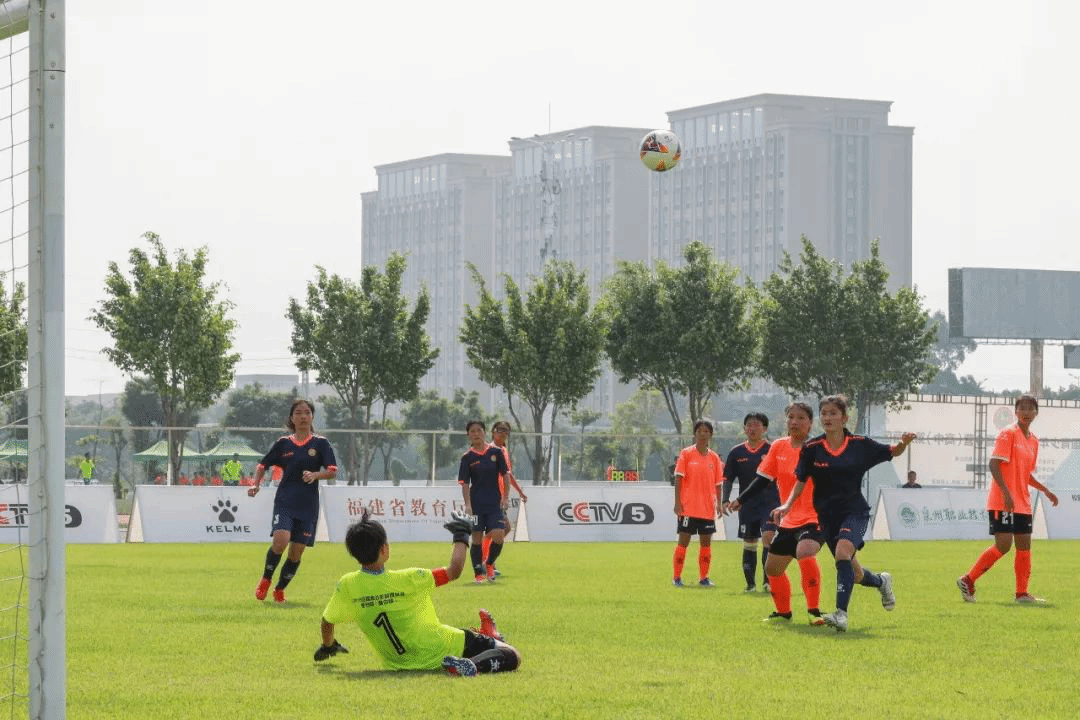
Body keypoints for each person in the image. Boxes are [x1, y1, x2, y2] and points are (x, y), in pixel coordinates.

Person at [315, 508, 521, 676]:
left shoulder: (348, 585)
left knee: (491, 643)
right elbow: (454, 570)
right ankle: (471, 664)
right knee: (511, 655)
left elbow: (327, 621)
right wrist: (461, 534)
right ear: (385, 549)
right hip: (445, 646)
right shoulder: (411, 578)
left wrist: (328, 646)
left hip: (399, 663)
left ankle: (489, 636)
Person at [772, 394, 914, 632]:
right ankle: (881, 581)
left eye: (833, 413)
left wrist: (903, 444)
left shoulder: (860, 445)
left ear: (845, 418)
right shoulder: (812, 448)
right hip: (827, 518)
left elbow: (892, 452)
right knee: (855, 573)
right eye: (824, 413)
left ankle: (841, 614)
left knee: (841, 553)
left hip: (855, 512)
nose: (827, 418)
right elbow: (801, 481)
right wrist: (787, 505)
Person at [726, 403, 826, 625]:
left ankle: (814, 612)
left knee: (805, 552)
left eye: (801, 418)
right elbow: (763, 479)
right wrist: (740, 500)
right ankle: (783, 613)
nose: (795, 422)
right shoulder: (779, 446)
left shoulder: (819, 448)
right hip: (789, 519)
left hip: (816, 517)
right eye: (791, 417)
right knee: (772, 568)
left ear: (810, 423)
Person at [957, 394, 1059, 604]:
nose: (1026, 412)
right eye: (1022, 408)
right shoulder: (1008, 434)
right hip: (1003, 501)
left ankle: (1022, 594)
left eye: (1030, 408)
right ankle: (968, 579)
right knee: (1003, 545)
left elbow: (1026, 474)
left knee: (1024, 547)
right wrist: (1005, 492)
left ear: (1036, 412)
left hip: (1022, 503)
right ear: (1016, 411)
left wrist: (1046, 490)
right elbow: (993, 464)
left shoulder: (1034, 441)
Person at [248, 399, 337, 603]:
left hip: (308, 505)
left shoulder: (321, 443)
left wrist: (316, 475)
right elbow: (263, 465)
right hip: (285, 501)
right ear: (291, 418)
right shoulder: (283, 443)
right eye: (298, 413)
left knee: (296, 553)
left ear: (312, 417)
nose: (303, 416)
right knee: (281, 540)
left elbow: (332, 471)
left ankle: (280, 589)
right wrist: (256, 484)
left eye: (307, 412)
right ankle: (266, 579)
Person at [721, 412, 775, 592]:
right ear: (744, 428)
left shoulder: (772, 450)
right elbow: (728, 478)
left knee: (768, 536)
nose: (752, 428)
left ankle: (768, 582)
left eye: (756, 425)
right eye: (749, 425)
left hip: (769, 503)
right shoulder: (736, 452)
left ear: (764, 429)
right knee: (750, 541)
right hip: (746, 505)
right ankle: (750, 584)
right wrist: (725, 499)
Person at [672, 419, 724, 588]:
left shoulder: (714, 458)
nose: (703, 434)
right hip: (688, 508)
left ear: (711, 435)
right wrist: (677, 503)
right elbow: (678, 479)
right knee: (683, 542)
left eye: (706, 431)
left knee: (706, 544)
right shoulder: (686, 454)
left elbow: (718, 483)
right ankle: (676, 577)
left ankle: (704, 578)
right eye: (699, 431)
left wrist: (719, 504)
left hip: (707, 509)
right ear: (694, 434)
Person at [458, 420, 509, 584]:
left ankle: (489, 563)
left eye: (479, 431)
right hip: (476, 505)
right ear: (468, 435)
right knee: (477, 539)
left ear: (484, 432)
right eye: (472, 431)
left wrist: (505, 497)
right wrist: (468, 505)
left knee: (499, 535)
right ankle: (478, 573)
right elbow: (465, 484)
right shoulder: (467, 457)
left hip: (494, 503)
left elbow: (505, 475)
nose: (476, 434)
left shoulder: (496, 452)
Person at [484, 421, 527, 576]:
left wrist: (519, 491)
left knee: (503, 529)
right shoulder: (489, 450)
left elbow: (507, 475)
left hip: (500, 497)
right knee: (501, 530)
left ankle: (486, 560)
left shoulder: (503, 451)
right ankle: (486, 562)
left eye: (506, 430)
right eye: (500, 430)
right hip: (491, 497)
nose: (503, 433)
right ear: (493, 432)